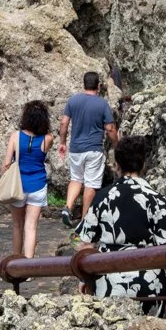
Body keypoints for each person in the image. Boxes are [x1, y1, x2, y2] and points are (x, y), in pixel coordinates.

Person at [76, 136, 166, 312]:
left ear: (117, 164)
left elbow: (86, 243)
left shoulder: (102, 197)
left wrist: (83, 278)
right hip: (149, 284)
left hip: (109, 282)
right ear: (144, 164)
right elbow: (165, 245)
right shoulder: (157, 199)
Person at [58, 72, 118, 231]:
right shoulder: (102, 104)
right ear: (98, 86)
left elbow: (64, 123)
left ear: (84, 84)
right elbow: (110, 128)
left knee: (76, 179)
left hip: (76, 149)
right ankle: (85, 220)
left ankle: (68, 208)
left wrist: (62, 143)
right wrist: (116, 144)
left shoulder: (73, 100)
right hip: (93, 150)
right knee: (91, 184)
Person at [2, 100, 53, 258]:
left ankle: (16, 263)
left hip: (18, 185)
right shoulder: (48, 139)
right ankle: (28, 267)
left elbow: (6, 163)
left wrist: (3, 178)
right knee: (31, 227)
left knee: (17, 225)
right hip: (38, 185)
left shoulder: (15, 136)